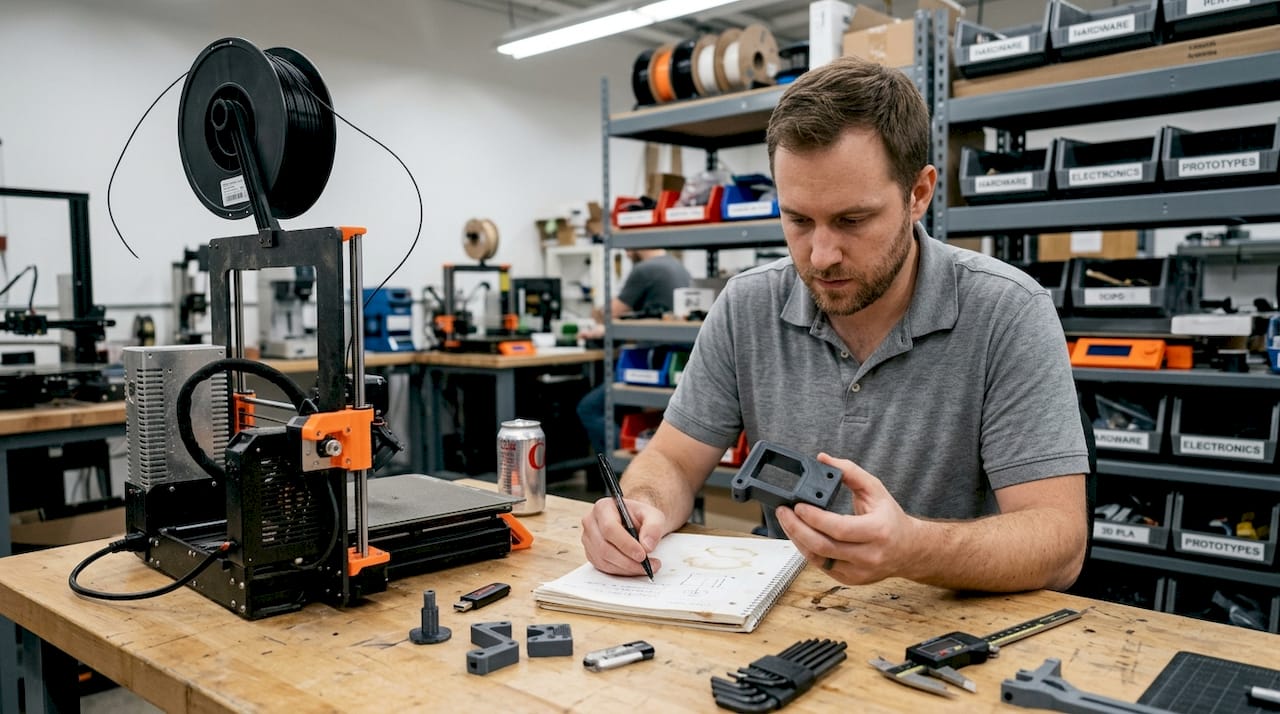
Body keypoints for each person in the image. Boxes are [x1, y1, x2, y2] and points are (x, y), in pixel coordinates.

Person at [580, 56, 1089, 594]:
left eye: (852, 220)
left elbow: (1059, 542)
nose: (821, 256)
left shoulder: (1008, 311)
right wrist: (641, 506)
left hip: (944, 618)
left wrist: (913, 548)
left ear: (918, 194)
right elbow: (673, 462)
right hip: (783, 607)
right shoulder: (747, 305)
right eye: (798, 220)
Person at [576, 248, 691, 456]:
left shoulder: (645, 270)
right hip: (677, 364)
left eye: (628, 249)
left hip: (652, 361)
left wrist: (599, 313)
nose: (627, 254)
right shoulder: (678, 266)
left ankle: (622, 470)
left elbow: (609, 313)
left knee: (590, 408)